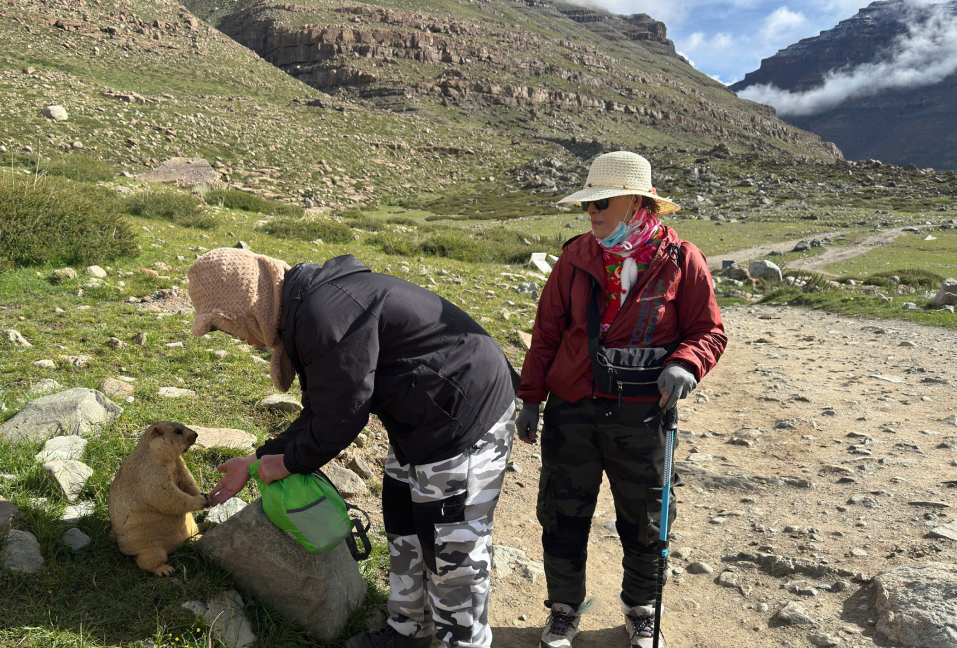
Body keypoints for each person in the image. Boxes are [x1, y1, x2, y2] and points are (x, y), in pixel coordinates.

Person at [186, 247, 519, 648]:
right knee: (404, 523)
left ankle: (461, 641)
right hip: (420, 419)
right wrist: (257, 460)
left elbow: (340, 418)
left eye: (224, 327)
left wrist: (288, 462)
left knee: (451, 551)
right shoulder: (303, 309)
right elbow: (323, 408)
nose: (237, 338)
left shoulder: (322, 314)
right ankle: (409, 632)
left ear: (243, 308)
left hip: (462, 416)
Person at [516, 151, 727, 648]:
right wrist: (531, 399)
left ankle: (641, 610)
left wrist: (686, 364)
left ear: (635, 202)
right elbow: (546, 334)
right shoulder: (574, 258)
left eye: (601, 203)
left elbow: (708, 330)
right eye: (588, 204)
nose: (591, 213)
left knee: (648, 521)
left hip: (644, 416)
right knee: (563, 515)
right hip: (572, 412)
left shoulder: (681, 259)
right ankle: (564, 610)